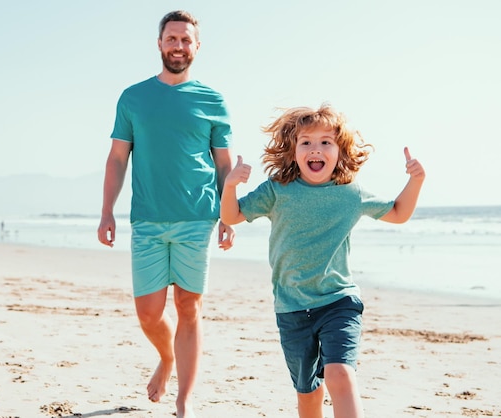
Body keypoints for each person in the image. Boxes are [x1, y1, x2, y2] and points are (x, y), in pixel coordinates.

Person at [220, 104, 425, 418]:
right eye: (306, 142)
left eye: (326, 142)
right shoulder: (277, 191)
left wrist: (416, 181)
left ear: (340, 151)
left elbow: (398, 213)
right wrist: (231, 185)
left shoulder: (351, 195)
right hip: (291, 308)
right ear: (293, 151)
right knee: (308, 392)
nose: (316, 149)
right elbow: (231, 215)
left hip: (338, 302)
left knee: (339, 373)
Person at [96, 10, 235, 418]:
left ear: (196, 46)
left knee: (189, 307)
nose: (178, 46)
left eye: (185, 40)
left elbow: (224, 165)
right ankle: (167, 357)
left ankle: (184, 400)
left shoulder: (213, 100)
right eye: (171, 39)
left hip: (198, 217)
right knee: (149, 313)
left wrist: (229, 214)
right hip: (148, 219)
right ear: (159, 44)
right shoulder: (133, 97)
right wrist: (107, 211)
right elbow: (118, 158)